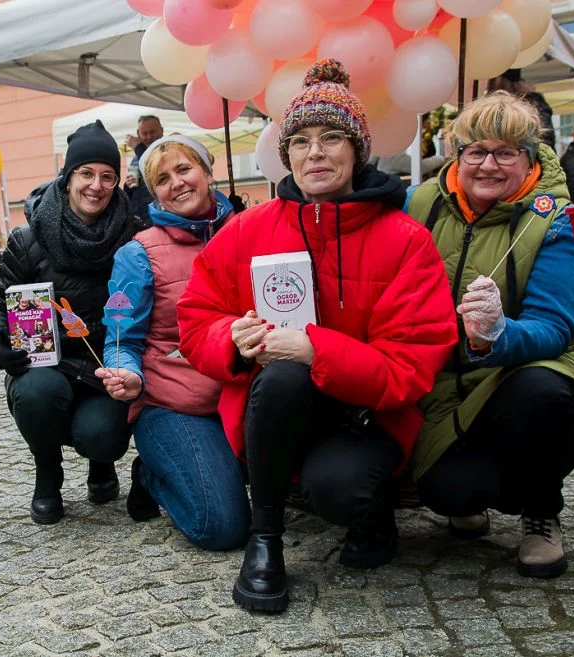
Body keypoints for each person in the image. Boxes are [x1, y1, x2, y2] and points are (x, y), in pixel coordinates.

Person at [177, 60, 457, 613]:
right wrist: (230, 337)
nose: (315, 152)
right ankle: (266, 540)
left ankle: (370, 512)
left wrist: (316, 348)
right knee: (281, 377)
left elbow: (411, 367)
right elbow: (196, 319)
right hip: (278, 408)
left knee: (339, 489)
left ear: (357, 151)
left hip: (367, 415)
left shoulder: (405, 240)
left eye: (332, 138)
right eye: (300, 140)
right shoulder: (247, 230)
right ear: (286, 154)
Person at [405, 91, 574, 579]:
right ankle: (473, 488)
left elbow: (554, 328)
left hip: (519, 375)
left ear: (529, 158)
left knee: (545, 393)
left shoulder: (555, 219)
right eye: (476, 152)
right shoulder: (423, 201)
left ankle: (541, 510)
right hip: (445, 386)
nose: (488, 165)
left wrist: (496, 333)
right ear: (458, 157)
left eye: (505, 152)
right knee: (449, 495)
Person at [95, 134, 249, 550]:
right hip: (178, 405)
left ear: (207, 171)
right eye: (163, 179)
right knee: (222, 526)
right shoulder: (138, 254)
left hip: (247, 394)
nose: (177, 183)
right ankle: (151, 473)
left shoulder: (248, 232)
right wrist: (127, 372)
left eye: (184, 169)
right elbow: (121, 336)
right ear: (155, 193)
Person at [0, 120, 137, 524]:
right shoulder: (28, 239)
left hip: (104, 367)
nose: (96, 186)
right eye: (86, 173)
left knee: (103, 436)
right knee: (36, 394)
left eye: (107, 176)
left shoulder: (133, 236)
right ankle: (47, 471)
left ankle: (100, 462)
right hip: (45, 365)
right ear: (68, 178)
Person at [124, 115, 164, 226]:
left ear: (161, 131)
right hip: (139, 221)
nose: (149, 136)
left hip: (159, 219)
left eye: (153, 132)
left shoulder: (167, 150)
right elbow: (131, 191)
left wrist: (138, 147)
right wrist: (128, 186)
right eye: (144, 133)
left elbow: (155, 166)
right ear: (138, 134)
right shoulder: (136, 158)